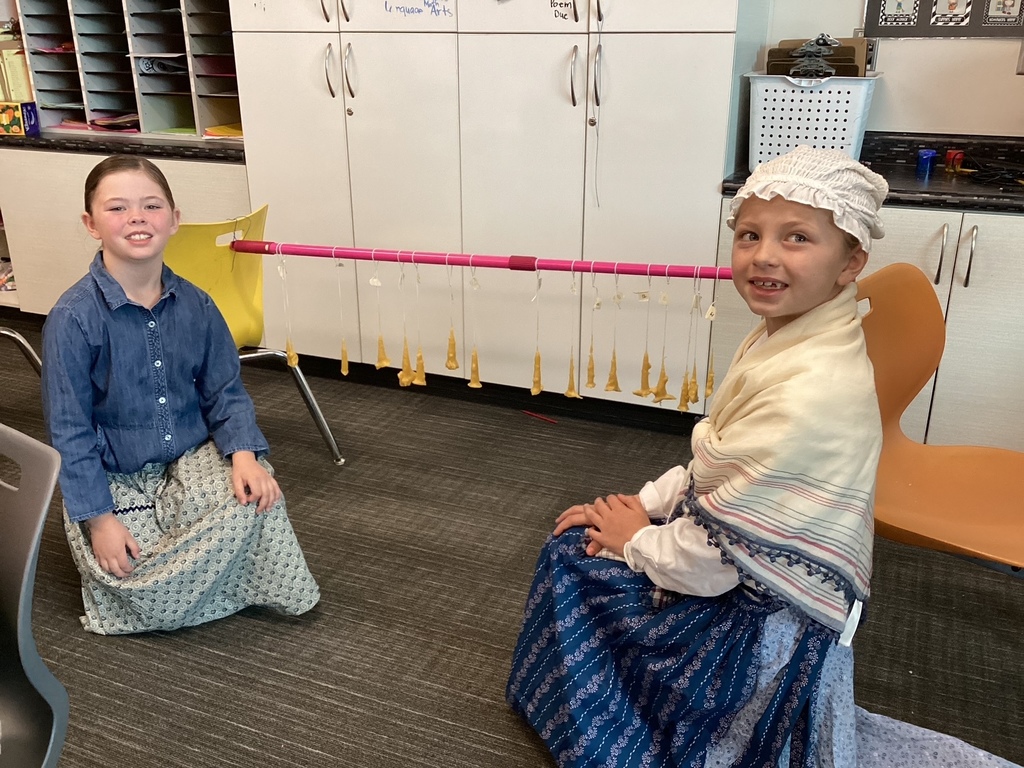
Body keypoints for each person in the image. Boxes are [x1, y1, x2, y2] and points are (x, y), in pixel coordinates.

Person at [506, 146, 1020, 767]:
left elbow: (717, 566)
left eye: (797, 237)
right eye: (749, 234)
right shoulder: (797, 332)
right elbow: (719, 466)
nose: (764, 256)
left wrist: (634, 539)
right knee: (591, 538)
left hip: (758, 622)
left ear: (850, 262)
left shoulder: (807, 392)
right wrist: (645, 505)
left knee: (570, 558)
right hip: (741, 555)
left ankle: (631, 730)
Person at [42, 155, 320, 635]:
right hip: (115, 475)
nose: (136, 218)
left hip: (189, 460)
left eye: (151, 206)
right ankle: (206, 585)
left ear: (174, 219)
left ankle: (189, 587)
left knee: (257, 493)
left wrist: (245, 456)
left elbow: (224, 391)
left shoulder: (198, 304)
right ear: (91, 224)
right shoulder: (73, 317)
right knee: (127, 566)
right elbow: (71, 430)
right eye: (117, 209)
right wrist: (100, 520)